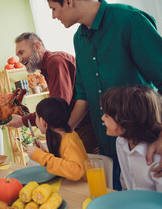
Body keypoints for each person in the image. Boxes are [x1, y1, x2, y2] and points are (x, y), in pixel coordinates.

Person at [47, 0, 162, 189]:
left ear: (68, 1)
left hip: (145, 147)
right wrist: (63, 132)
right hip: (108, 146)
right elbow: (83, 95)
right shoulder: (79, 39)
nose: (53, 16)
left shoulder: (128, 21)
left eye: (53, 8)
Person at [7, 32, 98, 154]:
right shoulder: (48, 66)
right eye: (18, 55)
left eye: (22, 53)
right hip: (78, 127)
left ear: (37, 47)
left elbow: (57, 108)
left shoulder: (56, 62)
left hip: (87, 128)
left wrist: (23, 121)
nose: (20, 60)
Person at [100, 86, 162, 191]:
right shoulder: (121, 142)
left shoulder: (156, 158)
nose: (102, 118)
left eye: (107, 115)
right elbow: (125, 183)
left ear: (125, 123)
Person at [25, 97, 88, 181]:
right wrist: (44, 153)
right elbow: (63, 164)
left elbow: (76, 171)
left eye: (36, 117)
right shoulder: (63, 138)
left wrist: (41, 156)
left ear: (43, 122)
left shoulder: (68, 141)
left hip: (82, 190)